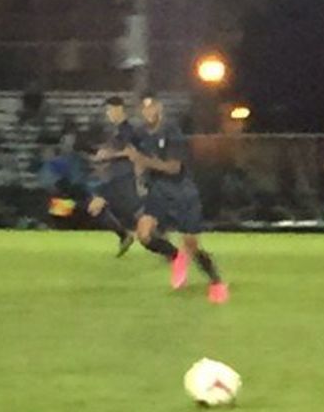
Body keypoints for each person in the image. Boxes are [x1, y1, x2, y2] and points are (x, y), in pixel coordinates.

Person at [127, 94, 229, 304]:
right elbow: (136, 158)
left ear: (159, 108)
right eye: (144, 108)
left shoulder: (172, 132)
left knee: (192, 244)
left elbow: (174, 168)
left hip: (182, 193)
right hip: (158, 193)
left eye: (152, 107)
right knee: (144, 235)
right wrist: (140, 180)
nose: (148, 112)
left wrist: (143, 161)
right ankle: (176, 256)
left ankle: (216, 282)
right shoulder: (140, 134)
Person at [87, 97, 140, 256]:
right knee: (98, 208)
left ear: (118, 109)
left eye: (109, 110)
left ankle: (125, 235)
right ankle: (126, 235)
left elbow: (131, 152)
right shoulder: (118, 130)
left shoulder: (127, 129)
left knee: (96, 207)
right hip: (117, 177)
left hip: (123, 178)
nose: (108, 113)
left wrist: (108, 155)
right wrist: (103, 155)